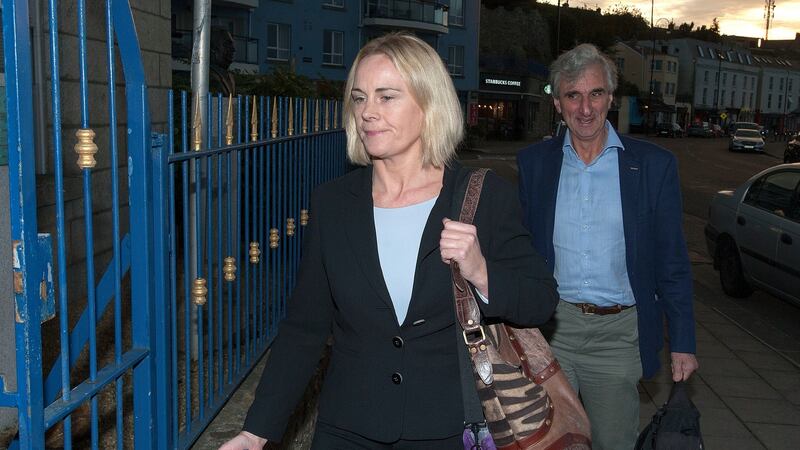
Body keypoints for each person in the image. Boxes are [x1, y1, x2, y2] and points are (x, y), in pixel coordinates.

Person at [219, 33, 558, 450]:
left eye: (386, 97)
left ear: (428, 104)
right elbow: (304, 328)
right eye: (359, 98)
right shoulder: (333, 204)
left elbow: (542, 301)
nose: (367, 113)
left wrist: (481, 271)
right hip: (348, 428)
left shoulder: (482, 197)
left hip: (447, 430)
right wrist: (257, 431)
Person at [516, 43, 699, 450]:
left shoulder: (653, 166)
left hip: (617, 336)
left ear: (611, 97)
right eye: (573, 95)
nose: (585, 108)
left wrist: (683, 341)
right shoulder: (534, 164)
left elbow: (672, 261)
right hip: (552, 329)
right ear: (557, 103)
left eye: (595, 93)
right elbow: (523, 250)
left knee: (613, 442)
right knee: (544, 443)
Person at [209, 27, 236, 96]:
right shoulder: (208, 77)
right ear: (213, 48)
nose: (233, 49)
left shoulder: (229, 77)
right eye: (227, 44)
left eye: (232, 44)